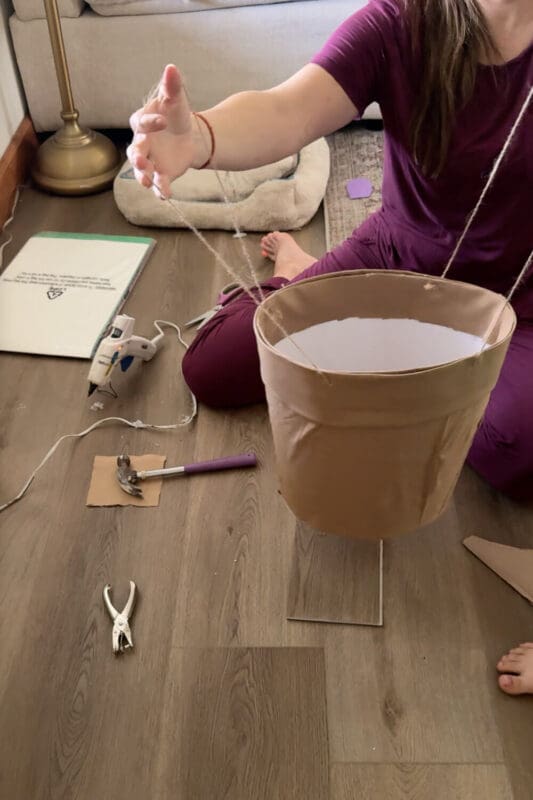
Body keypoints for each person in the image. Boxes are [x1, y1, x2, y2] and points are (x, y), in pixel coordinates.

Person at [128, 0, 533, 694]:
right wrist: (195, 138)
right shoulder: (400, 21)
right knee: (214, 367)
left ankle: (325, 295)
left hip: (517, 300)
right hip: (398, 256)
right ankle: (296, 273)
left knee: (505, 448)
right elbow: (288, 110)